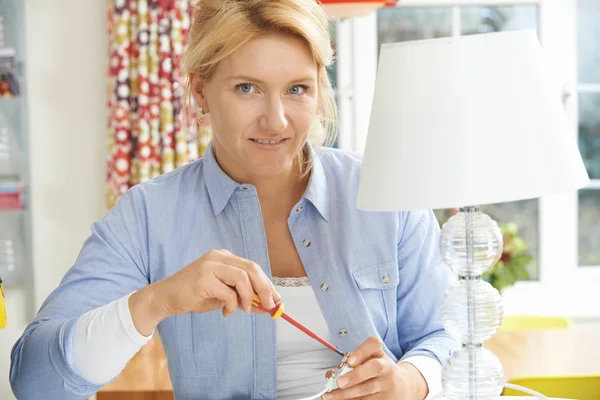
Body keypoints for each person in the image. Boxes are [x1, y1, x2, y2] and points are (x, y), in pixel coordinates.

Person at [10, 0, 457, 399]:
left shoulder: (386, 193)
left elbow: (445, 335)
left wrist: (409, 382)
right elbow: (35, 382)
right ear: (201, 91)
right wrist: (159, 300)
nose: (275, 120)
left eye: (297, 89)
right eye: (247, 88)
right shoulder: (148, 215)